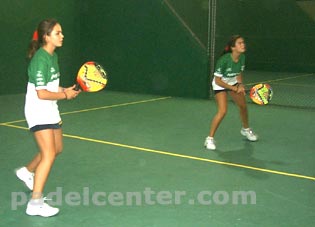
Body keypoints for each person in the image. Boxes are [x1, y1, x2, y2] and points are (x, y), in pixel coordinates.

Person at [15, 18, 80, 217]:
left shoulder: (53, 57)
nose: (62, 36)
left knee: (56, 148)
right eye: (57, 33)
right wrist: (65, 96)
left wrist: (64, 90)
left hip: (50, 108)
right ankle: (35, 203)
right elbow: (41, 93)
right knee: (49, 154)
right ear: (46, 37)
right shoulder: (40, 60)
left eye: (61, 32)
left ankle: (27, 171)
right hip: (38, 109)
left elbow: (50, 87)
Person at [204, 35, 258, 150]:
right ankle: (209, 139)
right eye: (239, 43)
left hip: (233, 82)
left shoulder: (242, 57)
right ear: (233, 47)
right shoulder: (223, 60)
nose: (243, 44)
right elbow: (218, 81)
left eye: (243, 42)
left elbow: (238, 73)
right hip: (219, 85)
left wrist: (240, 84)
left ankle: (246, 129)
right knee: (223, 111)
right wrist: (234, 89)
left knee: (243, 106)